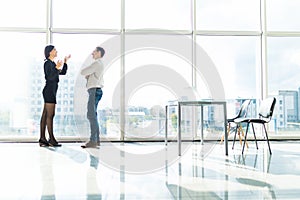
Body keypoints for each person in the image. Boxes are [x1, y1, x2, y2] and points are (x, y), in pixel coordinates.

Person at [39, 45, 71, 147]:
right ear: (50, 52)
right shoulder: (47, 63)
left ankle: (42, 139)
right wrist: (56, 68)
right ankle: (51, 139)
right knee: (50, 115)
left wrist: (65, 62)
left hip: (51, 91)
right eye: (54, 50)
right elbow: (49, 77)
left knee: (45, 115)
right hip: (49, 91)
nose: (56, 51)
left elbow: (63, 73)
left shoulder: (52, 64)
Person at [80, 46, 105, 148]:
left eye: (94, 52)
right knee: (93, 116)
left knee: (91, 115)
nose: (92, 53)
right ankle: (96, 140)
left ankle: (93, 141)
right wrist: (89, 75)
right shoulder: (99, 64)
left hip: (94, 91)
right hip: (95, 90)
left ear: (99, 53)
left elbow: (83, 72)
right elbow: (88, 75)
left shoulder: (97, 63)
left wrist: (88, 74)